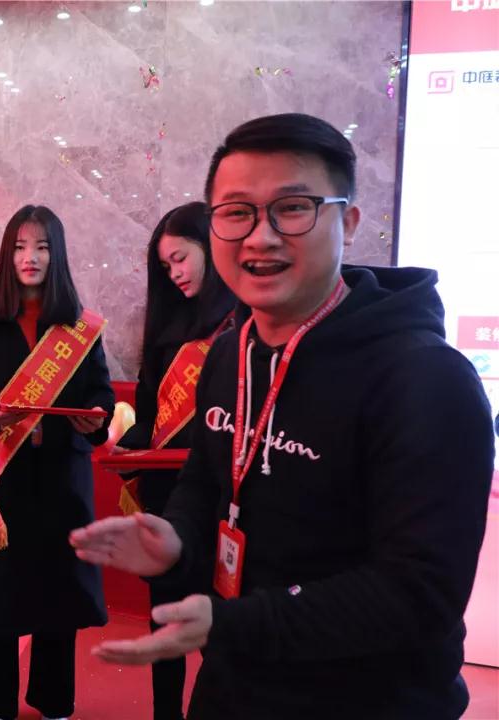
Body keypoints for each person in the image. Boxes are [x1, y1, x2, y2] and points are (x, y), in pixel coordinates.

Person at [70, 113, 495, 719]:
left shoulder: (426, 379)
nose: (260, 237)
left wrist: (235, 622)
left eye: (293, 208)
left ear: (348, 221)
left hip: (372, 702)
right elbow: (206, 482)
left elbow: (419, 592)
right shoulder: (229, 353)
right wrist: (178, 538)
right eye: (237, 212)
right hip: (232, 687)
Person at [0, 205, 115, 720]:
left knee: (58, 598)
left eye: (42, 247)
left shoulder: (79, 328)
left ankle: (53, 700)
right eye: (20, 247)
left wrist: (97, 418)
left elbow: (101, 392)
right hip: (1, 480)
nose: (30, 257)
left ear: (56, 255)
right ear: (7, 254)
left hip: (61, 482)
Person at [113, 201, 235, 720]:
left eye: (181, 258)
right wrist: (126, 446)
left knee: (221, 631)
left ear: (210, 245)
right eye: (165, 267)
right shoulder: (166, 325)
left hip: (223, 503)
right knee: (164, 621)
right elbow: (150, 414)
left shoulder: (241, 322)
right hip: (167, 500)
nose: (175, 274)